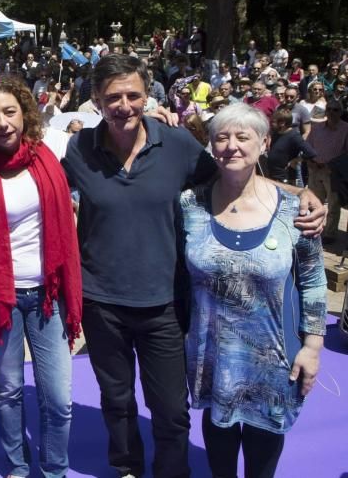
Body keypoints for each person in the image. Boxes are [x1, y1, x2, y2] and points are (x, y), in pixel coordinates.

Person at [60, 54, 325, 478]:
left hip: (165, 302)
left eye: (134, 95)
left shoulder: (176, 142)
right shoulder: (78, 149)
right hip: (101, 300)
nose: (124, 105)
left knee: (169, 408)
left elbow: (234, 172)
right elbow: (44, 193)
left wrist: (299, 191)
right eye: (113, 97)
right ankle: (127, 467)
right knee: (116, 399)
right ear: (96, 99)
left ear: (147, 96)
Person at [181, 103, 326, 478]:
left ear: (264, 144)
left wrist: (312, 348)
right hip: (211, 354)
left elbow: (313, 281)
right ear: (211, 146)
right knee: (219, 443)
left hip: (272, 358)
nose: (232, 146)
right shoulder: (190, 205)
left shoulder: (296, 211)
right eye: (222, 137)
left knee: (262, 457)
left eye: (243, 137)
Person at [0, 77, 82, 478]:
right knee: (9, 391)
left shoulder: (48, 158)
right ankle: (17, 467)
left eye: (9, 112)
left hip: (49, 295)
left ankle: (54, 469)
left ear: (25, 113)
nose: (2, 123)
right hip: (2, 299)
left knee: (58, 397)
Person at [305, 101, 348, 246]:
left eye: (335, 110)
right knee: (314, 202)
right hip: (315, 169)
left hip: (333, 172)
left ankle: (330, 234)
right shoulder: (317, 128)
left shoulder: (346, 129)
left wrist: (332, 165)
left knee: (333, 206)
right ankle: (313, 228)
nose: (331, 112)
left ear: (340, 112)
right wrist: (309, 161)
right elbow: (308, 146)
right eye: (329, 109)